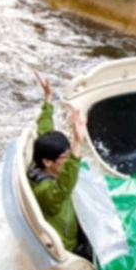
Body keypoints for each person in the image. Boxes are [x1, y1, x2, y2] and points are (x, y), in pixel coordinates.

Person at [28, 70, 88, 256]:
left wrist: (48, 99)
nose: (70, 159)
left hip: (78, 223)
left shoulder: (42, 157)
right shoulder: (45, 192)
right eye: (65, 157)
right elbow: (63, 187)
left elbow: (45, 129)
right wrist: (77, 143)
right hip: (71, 247)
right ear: (47, 162)